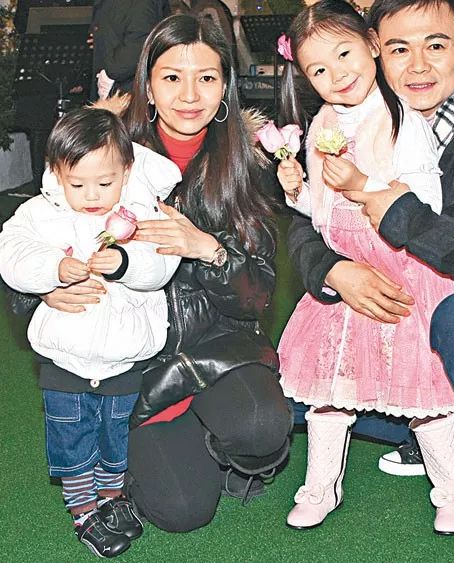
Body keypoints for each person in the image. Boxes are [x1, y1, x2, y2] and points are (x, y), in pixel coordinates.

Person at [289, 0, 454, 554]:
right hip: (398, 295)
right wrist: (334, 269)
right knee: (294, 398)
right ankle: (430, 427)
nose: (418, 64)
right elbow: (309, 222)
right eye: (400, 48)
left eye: (437, 44)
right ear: (377, 50)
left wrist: (402, 216)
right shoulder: (356, 114)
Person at [37, 14, 292, 534]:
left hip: (218, 345)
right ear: (148, 87)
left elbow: (259, 296)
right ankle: (180, 442)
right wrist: (43, 287)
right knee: (182, 511)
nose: (189, 95)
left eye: (207, 77)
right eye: (172, 77)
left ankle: (220, 429)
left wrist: (208, 250)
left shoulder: (247, 164)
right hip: (131, 360)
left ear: (225, 88)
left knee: (262, 427)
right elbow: (31, 231)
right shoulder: (99, 150)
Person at [274, 0, 454, 535]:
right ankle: (321, 486)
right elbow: (323, 213)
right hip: (348, 267)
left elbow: (427, 199)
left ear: (371, 44)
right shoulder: (320, 123)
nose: (337, 75)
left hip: (405, 268)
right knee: (328, 390)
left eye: (344, 54)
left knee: (425, 394)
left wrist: (362, 185)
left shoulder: (400, 114)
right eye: (318, 69)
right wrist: (296, 192)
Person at [0, 107, 182, 558]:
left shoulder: (143, 213)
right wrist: (52, 268)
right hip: (65, 358)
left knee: (115, 434)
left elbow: (161, 264)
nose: (92, 196)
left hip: (124, 356)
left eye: (105, 182)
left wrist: (125, 262)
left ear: (127, 172)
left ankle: (111, 498)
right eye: (77, 184)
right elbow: (11, 251)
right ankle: (83, 510)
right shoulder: (41, 213)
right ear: (56, 173)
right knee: (72, 438)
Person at [89, 0, 171, 100]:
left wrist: (109, 75)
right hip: (117, 85)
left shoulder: (141, 4)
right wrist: (100, 38)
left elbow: (140, 44)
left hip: (125, 90)